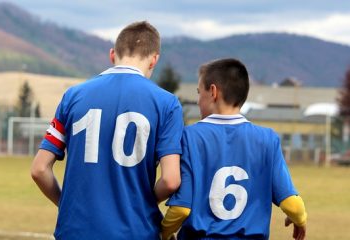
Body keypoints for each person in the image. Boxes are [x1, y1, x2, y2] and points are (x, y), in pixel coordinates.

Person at [31, 21, 183, 240]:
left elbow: (39, 169)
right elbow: (170, 180)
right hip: (134, 231)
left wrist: (68, 206)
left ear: (112, 54)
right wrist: (139, 204)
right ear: (154, 59)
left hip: (75, 230)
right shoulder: (167, 103)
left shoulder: (73, 96)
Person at [161, 58, 307, 240]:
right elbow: (293, 205)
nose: (198, 101)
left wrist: (164, 233)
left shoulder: (189, 137)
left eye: (199, 93)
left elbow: (181, 209)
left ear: (213, 91)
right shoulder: (268, 139)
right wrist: (300, 220)